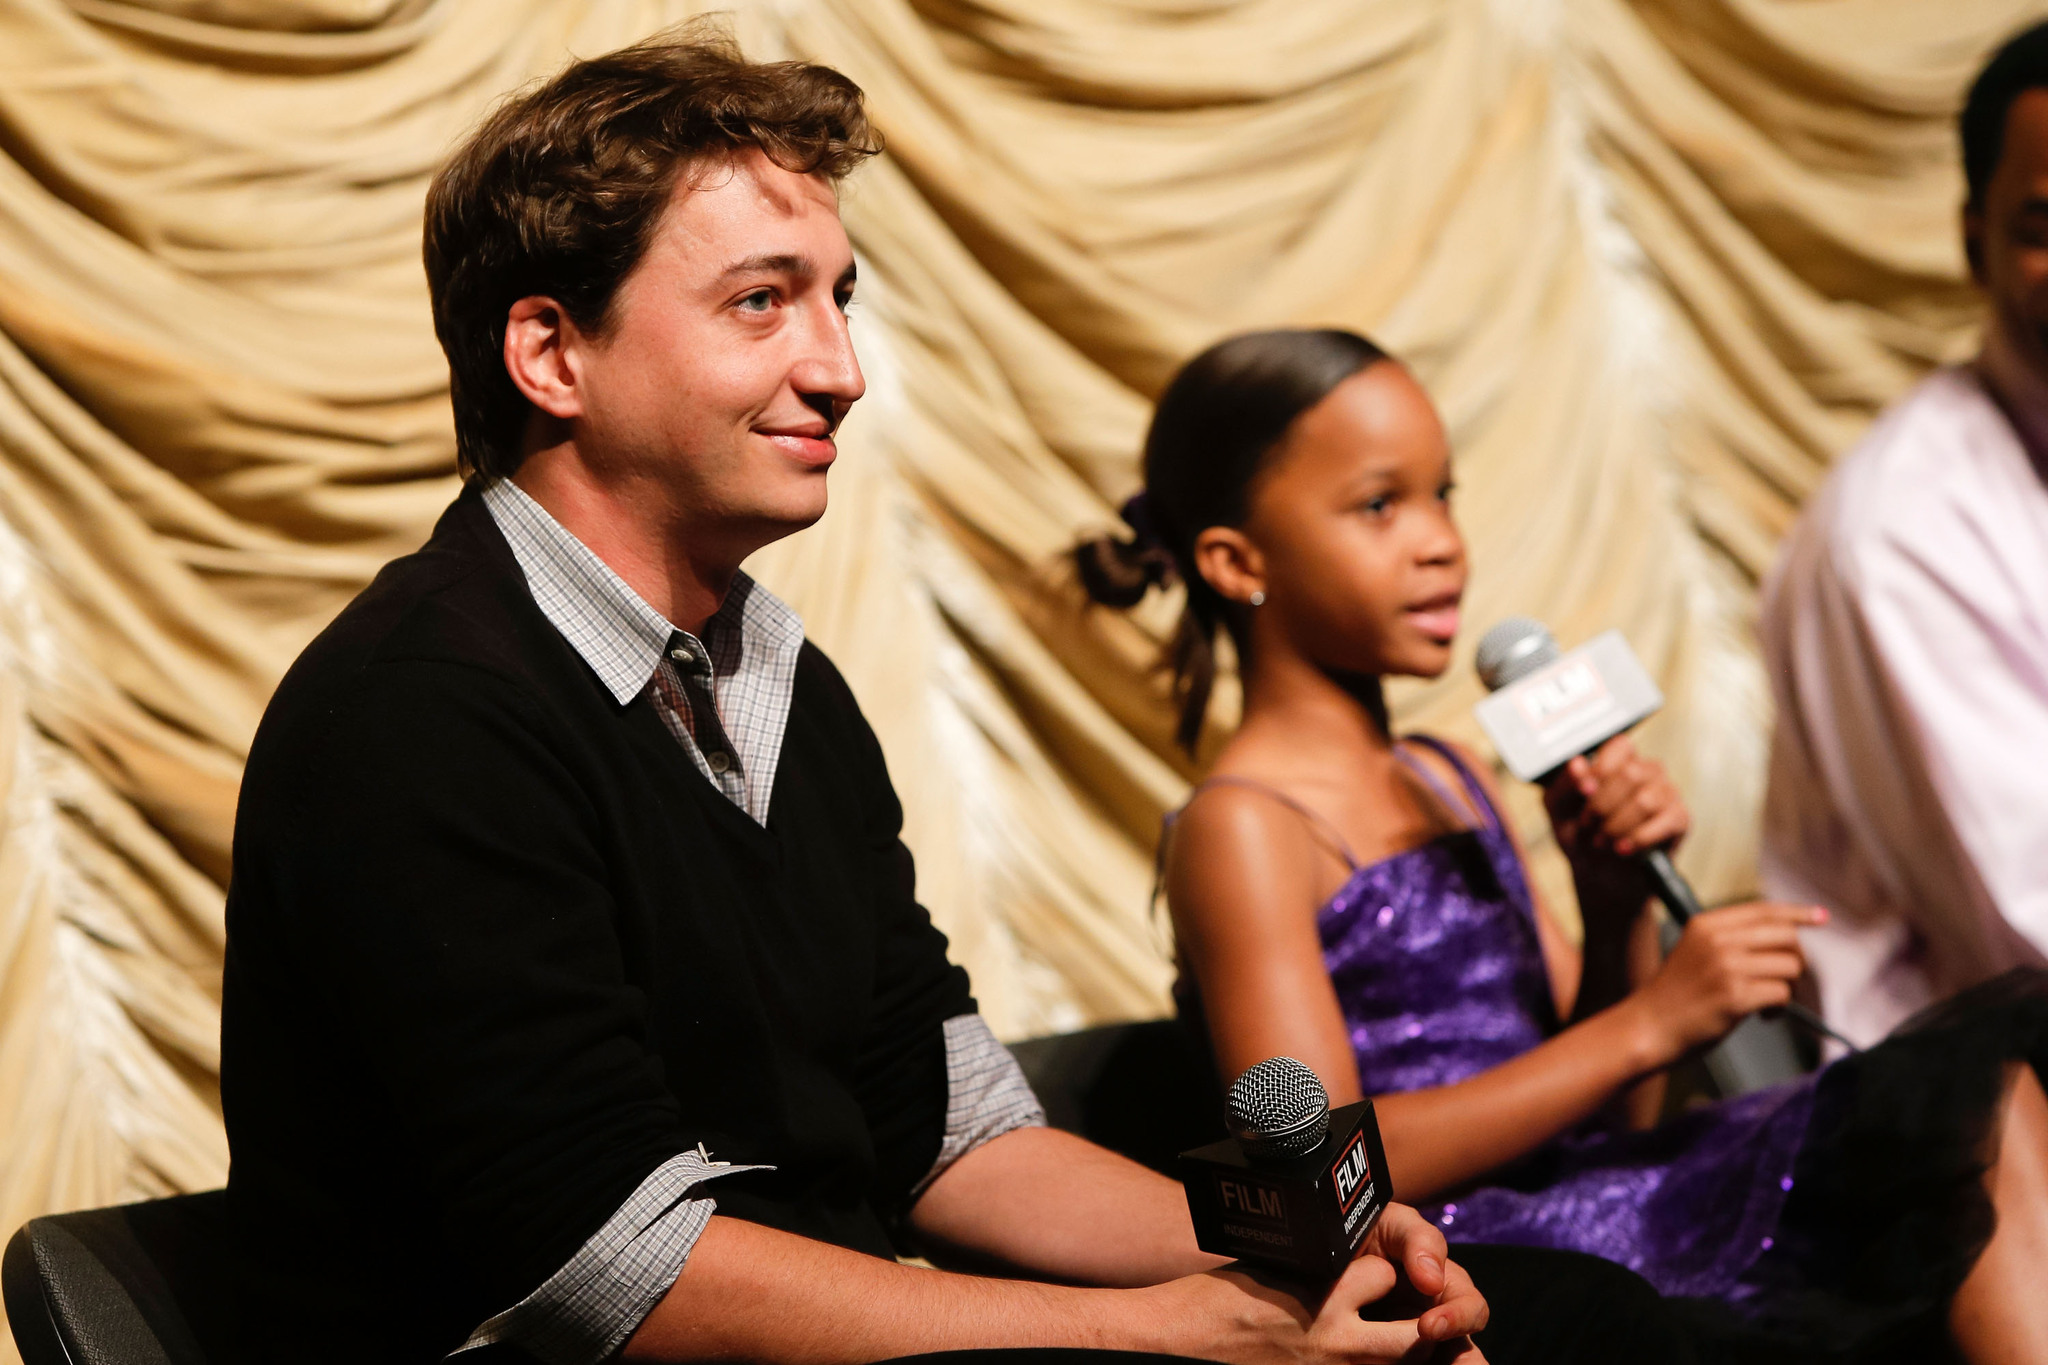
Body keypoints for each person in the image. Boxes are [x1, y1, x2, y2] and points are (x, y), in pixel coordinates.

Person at [215, 26, 1692, 1365]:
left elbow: (957, 1133)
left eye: (838, 301)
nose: (840, 367)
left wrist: (1299, 1240)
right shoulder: (420, 714)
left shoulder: (783, 682)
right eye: (760, 303)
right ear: (551, 352)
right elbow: (611, 1268)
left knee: (1576, 1315)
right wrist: (1165, 1336)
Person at [1077, 327, 2048, 1364]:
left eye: (1442, 494)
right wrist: (1650, 1020)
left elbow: (1621, 1118)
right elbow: (1323, 1172)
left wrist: (1612, 904)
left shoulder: (1448, 770)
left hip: (1618, 1195)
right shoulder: (1242, 826)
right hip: (1488, 1254)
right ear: (1236, 561)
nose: (1439, 539)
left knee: (1987, 1085)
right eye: (1379, 505)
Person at [1759, 22, 2048, 1048]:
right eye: (2042, 222)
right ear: (1972, 241)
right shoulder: (1896, 534)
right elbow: (2026, 928)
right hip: (1969, 1116)